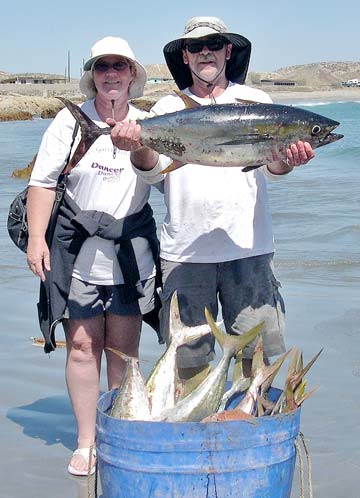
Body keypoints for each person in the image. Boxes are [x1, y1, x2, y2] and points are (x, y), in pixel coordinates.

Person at [109, 17, 315, 388]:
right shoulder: (166, 108)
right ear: (185, 56)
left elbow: (272, 167)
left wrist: (291, 156)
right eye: (195, 46)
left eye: (214, 44)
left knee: (259, 359)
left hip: (249, 251)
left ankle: (250, 431)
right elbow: (152, 171)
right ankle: (197, 435)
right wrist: (136, 144)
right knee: (187, 362)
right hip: (185, 254)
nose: (206, 51)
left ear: (228, 51)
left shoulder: (257, 103)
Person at [26, 36, 160, 476]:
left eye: (120, 66)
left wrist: (137, 144)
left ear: (132, 75)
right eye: (103, 67)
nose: (111, 74)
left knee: (123, 348)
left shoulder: (149, 121)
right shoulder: (69, 122)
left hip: (130, 250)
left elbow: (166, 179)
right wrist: (36, 240)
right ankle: (87, 441)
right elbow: (43, 183)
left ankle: (117, 431)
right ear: (93, 76)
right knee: (82, 346)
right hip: (76, 249)